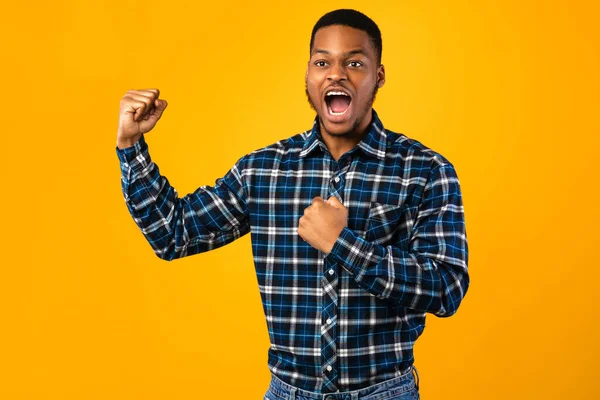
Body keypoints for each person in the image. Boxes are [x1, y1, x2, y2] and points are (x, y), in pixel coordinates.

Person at [115, 8, 469, 400]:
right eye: (323, 62)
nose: (336, 74)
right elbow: (173, 233)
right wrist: (131, 146)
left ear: (378, 76)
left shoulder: (425, 170)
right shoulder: (263, 172)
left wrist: (343, 244)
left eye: (354, 62)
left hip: (385, 391)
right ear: (308, 75)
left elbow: (447, 288)